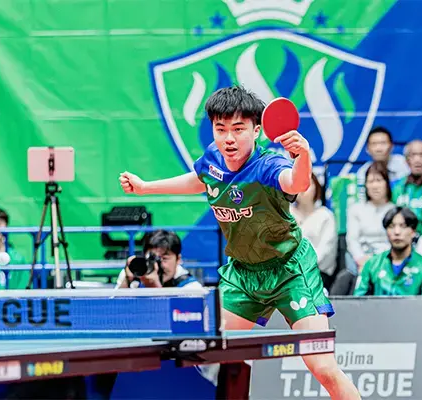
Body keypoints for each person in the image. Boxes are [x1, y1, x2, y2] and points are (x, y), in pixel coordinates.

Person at [120, 86, 361, 399]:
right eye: (220, 129)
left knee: (323, 367)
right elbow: (200, 180)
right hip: (244, 274)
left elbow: (296, 183)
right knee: (201, 350)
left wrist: (303, 156)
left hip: (290, 272)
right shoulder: (213, 158)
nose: (228, 138)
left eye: (238, 129)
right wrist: (145, 188)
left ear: (256, 130)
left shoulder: (268, 164)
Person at [353, 207, 422, 296]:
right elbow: (358, 301)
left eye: (403, 226)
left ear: (413, 231)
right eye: (391, 226)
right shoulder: (373, 264)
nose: (397, 232)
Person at [346, 162, 394, 275]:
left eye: (379, 180)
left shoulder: (395, 210)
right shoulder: (356, 209)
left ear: (387, 183)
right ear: (365, 185)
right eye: (371, 181)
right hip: (362, 261)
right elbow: (352, 240)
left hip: (389, 261)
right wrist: (361, 260)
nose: (375, 186)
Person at [290, 173, 337, 288]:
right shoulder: (287, 214)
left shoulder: (325, 215)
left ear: (316, 187)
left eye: (307, 184)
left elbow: (326, 251)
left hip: (317, 274)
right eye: (299, 184)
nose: (303, 189)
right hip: (288, 273)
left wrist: (303, 267)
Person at [115, 230, 202, 289]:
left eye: (164, 258)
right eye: (152, 258)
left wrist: (154, 286)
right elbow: (114, 308)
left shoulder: (191, 287)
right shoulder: (134, 275)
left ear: (178, 259)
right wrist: (127, 281)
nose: (157, 265)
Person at [355, 126, 410, 197]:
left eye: (383, 143)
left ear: (392, 146)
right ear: (367, 149)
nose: (379, 149)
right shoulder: (363, 172)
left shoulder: (404, 164)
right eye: (374, 144)